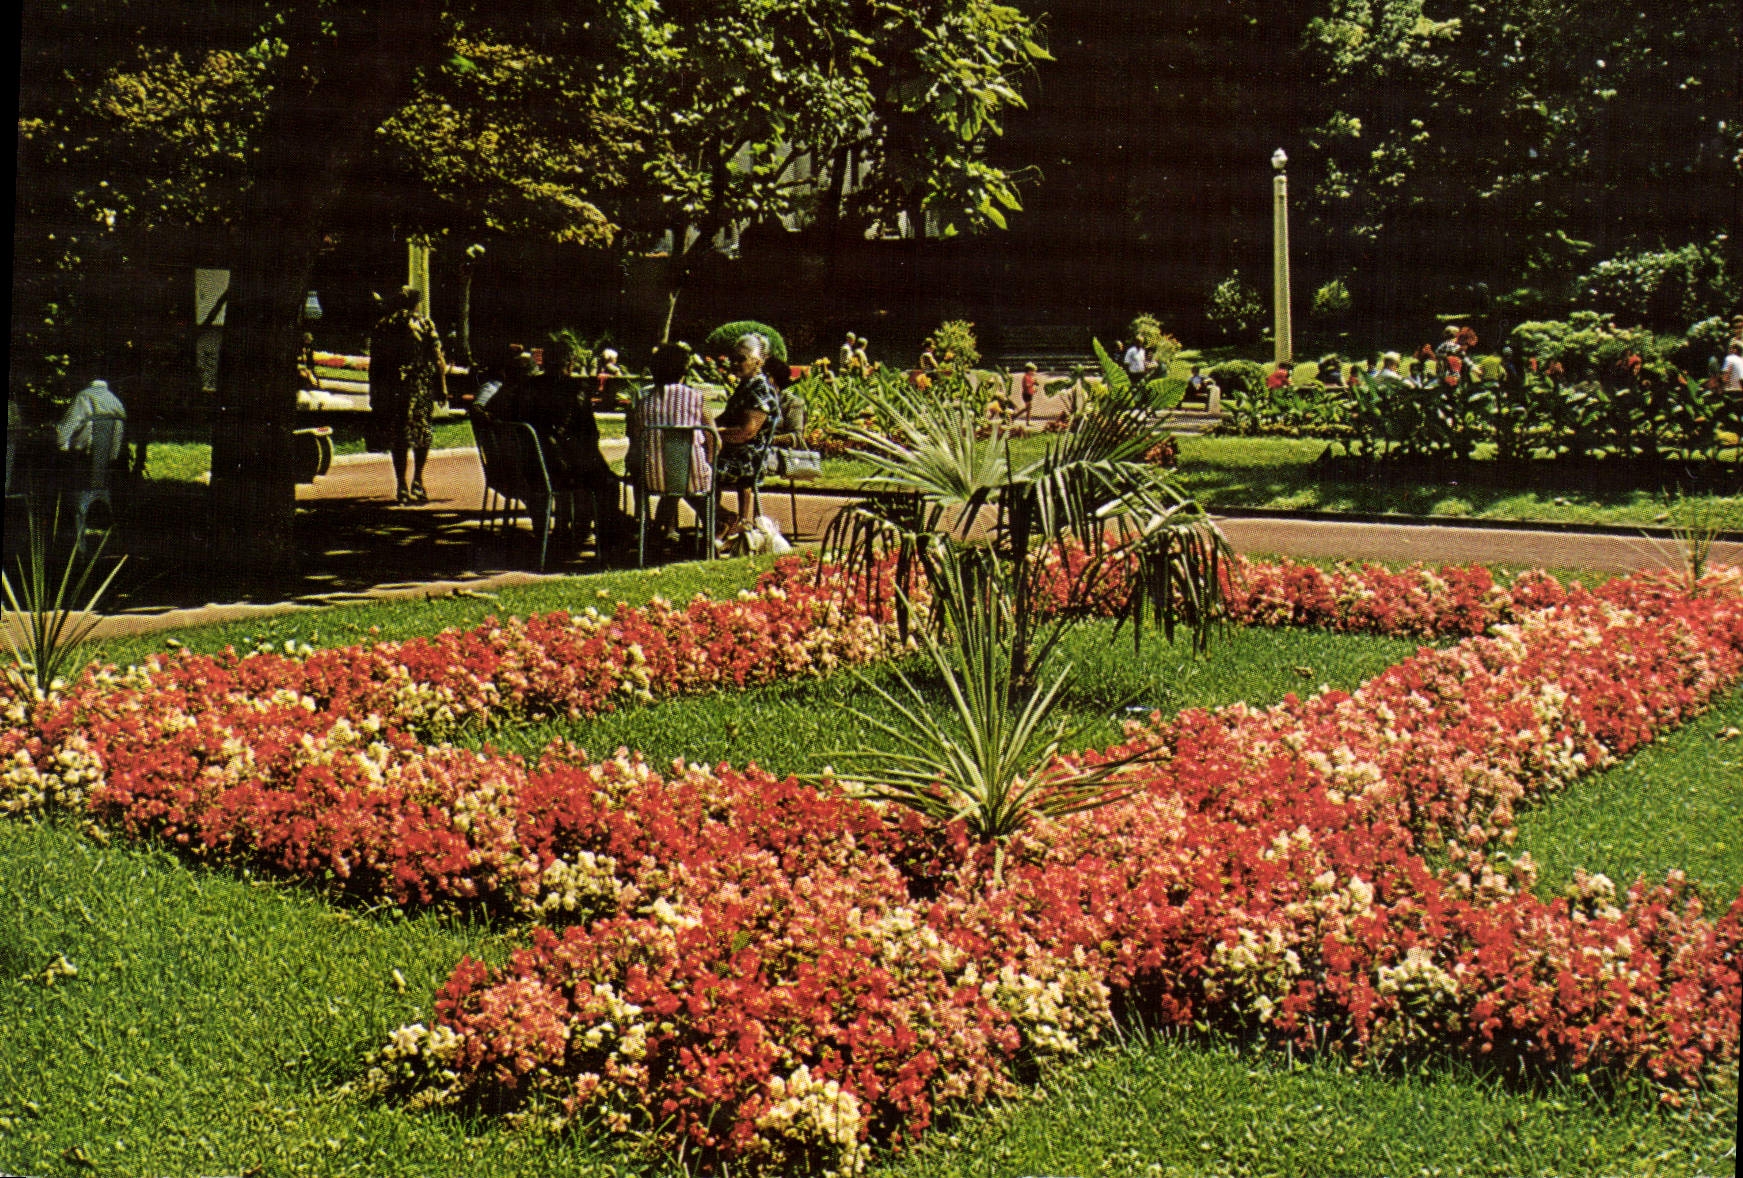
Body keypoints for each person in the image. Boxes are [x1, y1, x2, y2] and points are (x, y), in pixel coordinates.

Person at [628, 342, 716, 545]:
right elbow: (714, 438)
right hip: (693, 478)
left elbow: (636, 441)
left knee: (673, 480)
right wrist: (709, 461)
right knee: (697, 477)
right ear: (683, 371)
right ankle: (715, 530)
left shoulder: (643, 404)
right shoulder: (697, 399)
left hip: (654, 479)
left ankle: (658, 531)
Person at [368, 285, 446, 504]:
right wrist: (442, 387)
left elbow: (375, 364)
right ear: (416, 303)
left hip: (392, 387)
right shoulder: (425, 323)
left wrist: (374, 392)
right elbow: (437, 357)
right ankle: (418, 481)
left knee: (399, 437)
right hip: (419, 387)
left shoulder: (382, 325)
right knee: (422, 434)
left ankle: (401, 484)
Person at [713, 332, 781, 545]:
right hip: (737, 454)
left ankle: (724, 521)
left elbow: (747, 432)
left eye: (741, 359)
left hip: (747, 458)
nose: (735, 363)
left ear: (758, 361)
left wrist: (713, 435)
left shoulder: (759, 388)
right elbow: (723, 419)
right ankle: (724, 522)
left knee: (694, 473)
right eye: (733, 358)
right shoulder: (746, 385)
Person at [56, 375, 128, 459]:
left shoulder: (85, 394)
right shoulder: (114, 399)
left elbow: (73, 418)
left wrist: (62, 442)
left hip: (88, 444)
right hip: (109, 445)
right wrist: (114, 454)